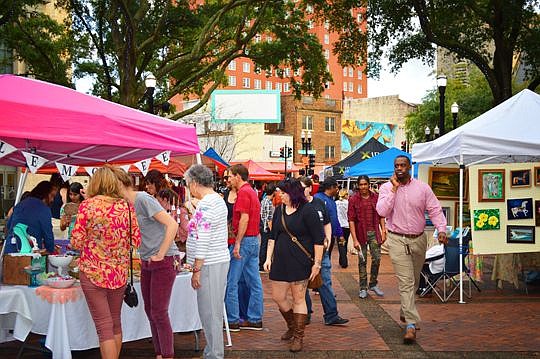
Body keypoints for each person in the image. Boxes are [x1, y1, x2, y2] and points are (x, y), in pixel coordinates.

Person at [71, 166, 141, 359]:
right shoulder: (126, 206)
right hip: (118, 274)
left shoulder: (88, 206)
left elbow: (76, 241)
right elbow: (136, 240)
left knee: (104, 327)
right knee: (115, 323)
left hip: (92, 272)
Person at [376, 155, 447, 344]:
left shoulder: (422, 188)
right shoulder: (385, 188)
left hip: (418, 239)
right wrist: (393, 189)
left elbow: (435, 209)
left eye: (403, 165)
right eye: (396, 166)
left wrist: (441, 229)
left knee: (415, 280)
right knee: (406, 281)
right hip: (397, 239)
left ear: (409, 167)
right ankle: (410, 324)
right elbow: (381, 212)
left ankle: (405, 311)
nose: (399, 168)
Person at [115, 167, 180, 359]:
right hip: (147, 260)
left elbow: (172, 224)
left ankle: (166, 354)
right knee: (151, 311)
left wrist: (160, 254)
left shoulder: (142, 199)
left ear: (118, 183)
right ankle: (160, 353)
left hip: (164, 259)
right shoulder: (126, 204)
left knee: (159, 312)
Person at [263, 178, 324, 352]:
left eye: (282, 192)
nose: (279, 195)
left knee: (299, 299)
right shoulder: (279, 210)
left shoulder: (308, 211)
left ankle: (298, 335)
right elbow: (273, 236)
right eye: (279, 192)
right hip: (280, 261)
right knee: (278, 297)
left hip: (301, 262)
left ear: (293, 193)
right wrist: (268, 258)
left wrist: (317, 264)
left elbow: (319, 240)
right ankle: (291, 324)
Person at [184, 164, 230, 359]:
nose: (188, 188)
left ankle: (214, 354)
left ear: (194, 183)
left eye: (187, 184)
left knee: (210, 312)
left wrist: (197, 268)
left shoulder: (209, 203)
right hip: (212, 262)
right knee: (211, 311)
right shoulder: (213, 201)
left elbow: (203, 237)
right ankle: (212, 351)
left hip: (211, 263)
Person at [299, 177, 349, 327]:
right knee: (302, 283)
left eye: (303, 188)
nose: (301, 191)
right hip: (302, 250)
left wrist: (327, 238)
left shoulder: (320, 203)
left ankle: (331, 314)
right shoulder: (297, 205)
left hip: (321, 249)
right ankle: (305, 313)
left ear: (310, 188)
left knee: (325, 282)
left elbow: (328, 222)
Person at [225, 164, 264, 331]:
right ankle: (255, 318)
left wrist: (238, 242)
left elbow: (244, 219)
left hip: (245, 240)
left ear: (238, 176)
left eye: (230, 176)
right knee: (254, 281)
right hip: (254, 239)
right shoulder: (252, 192)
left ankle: (233, 320)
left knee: (231, 282)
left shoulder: (243, 193)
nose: (228, 179)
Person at [348, 175, 386, 299]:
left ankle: (373, 284)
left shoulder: (376, 197)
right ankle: (363, 288)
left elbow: (381, 215)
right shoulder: (353, 199)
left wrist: (384, 230)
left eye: (365, 184)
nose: (363, 187)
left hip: (374, 232)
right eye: (361, 184)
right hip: (360, 234)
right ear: (358, 186)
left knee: (377, 258)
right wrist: (354, 239)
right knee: (362, 261)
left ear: (369, 184)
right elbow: (351, 220)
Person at [5, 181, 57, 254]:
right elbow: (48, 234)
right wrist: (50, 249)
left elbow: (8, 227)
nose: (52, 200)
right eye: (52, 196)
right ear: (45, 194)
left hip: (10, 249)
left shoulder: (20, 204)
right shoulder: (44, 209)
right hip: (29, 252)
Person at [314, 178, 344, 263]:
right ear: (331, 187)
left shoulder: (332, 200)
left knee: (326, 260)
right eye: (336, 187)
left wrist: (340, 234)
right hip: (321, 236)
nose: (338, 189)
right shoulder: (318, 198)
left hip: (330, 236)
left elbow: (335, 218)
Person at [259, 183, 276, 272]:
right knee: (266, 245)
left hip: (262, 225)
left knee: (263, 245)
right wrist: (272, 230)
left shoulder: (263, 200)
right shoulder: (268, 202)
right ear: (273, 192)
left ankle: (261, 263)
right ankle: (262, 264)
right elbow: (269, 218)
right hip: (266, 227)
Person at [335, 189, 350, 268]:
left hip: (339, 225)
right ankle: (343, 260)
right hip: (347, 226)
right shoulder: (348, 203)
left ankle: (343, 261)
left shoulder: (336, 203)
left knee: (341, 244)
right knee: (345, 243)